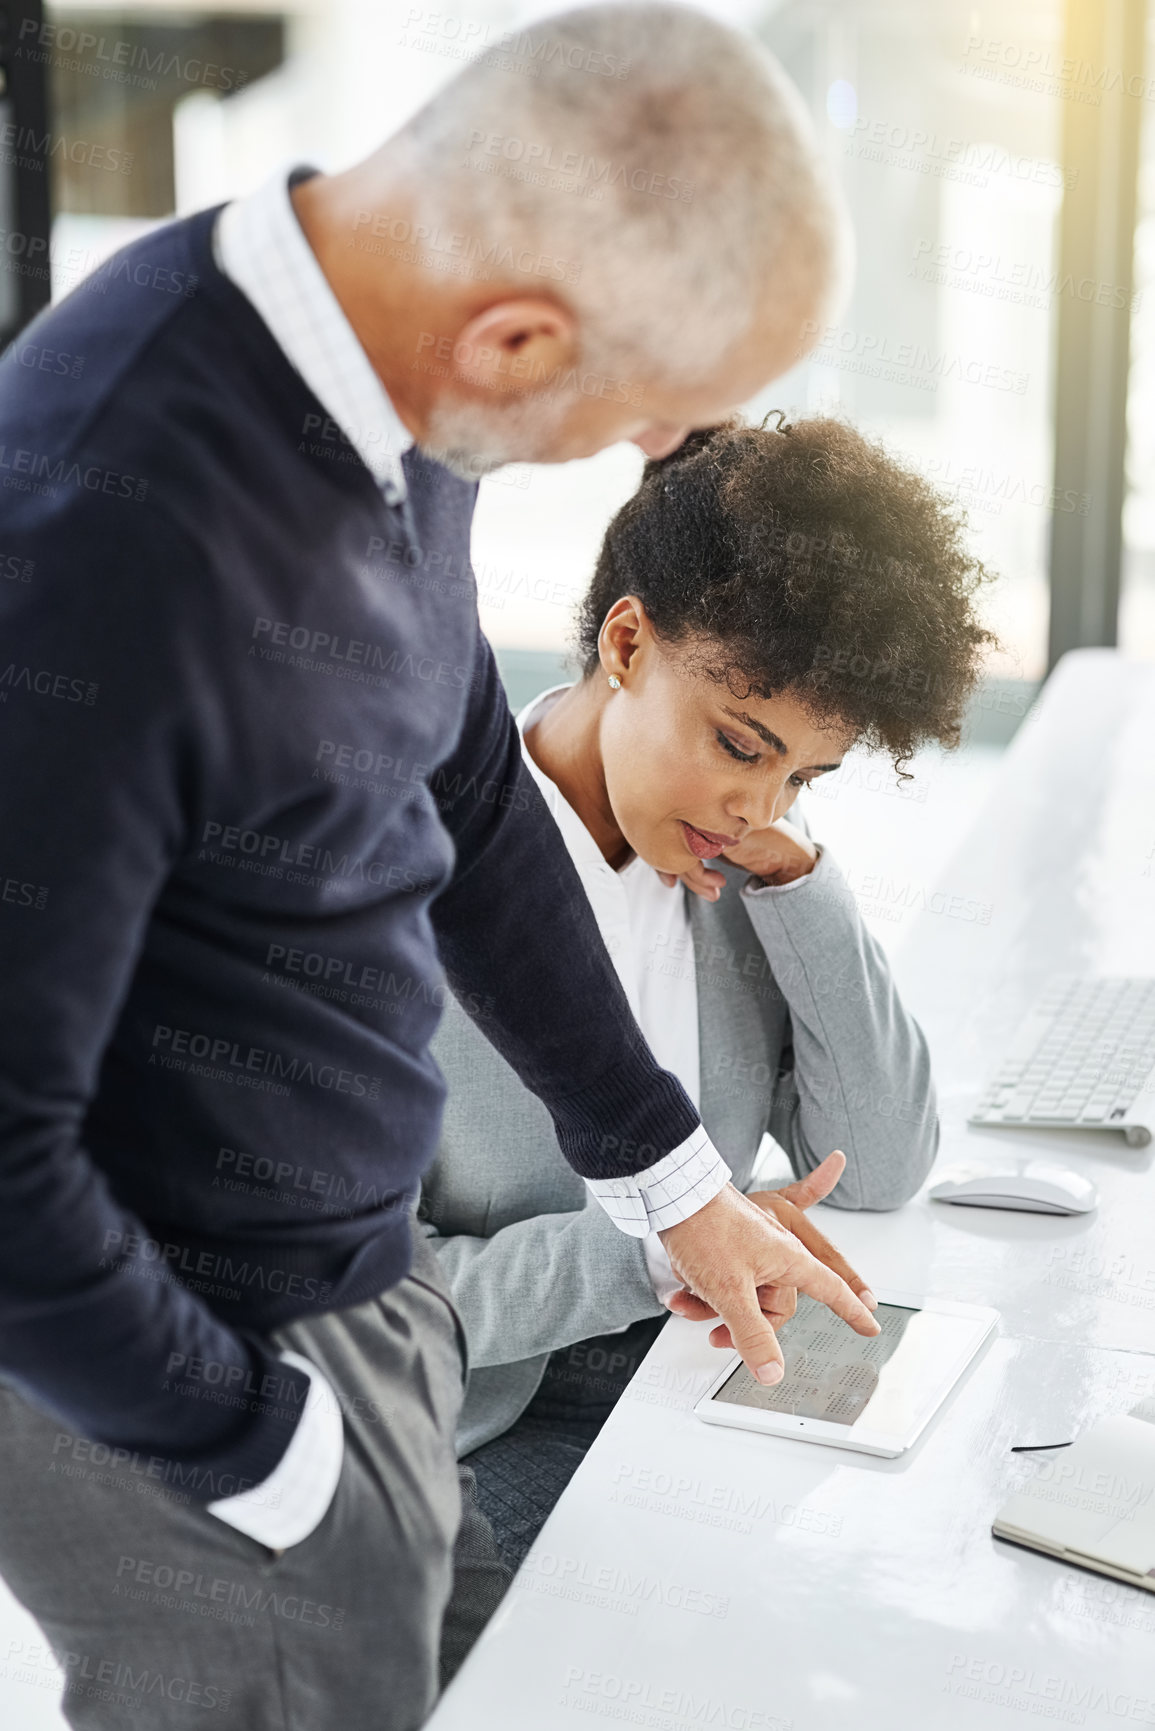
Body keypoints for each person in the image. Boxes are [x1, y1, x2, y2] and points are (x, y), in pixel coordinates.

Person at [0, 8, 882, 1729]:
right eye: (650, 416)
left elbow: (463, 771)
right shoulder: (110, 536)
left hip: (348, 1293)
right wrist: (257, 1455)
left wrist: (665, 1174)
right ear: (519, 336)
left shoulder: (375, 365)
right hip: (191, 1360)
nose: (642, 462)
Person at [421, 413, 995, 1618]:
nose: (754, 802)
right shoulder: (415, 892)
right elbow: (360, 1314)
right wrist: (664, 1243)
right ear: (626, 640)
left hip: (700, 1376)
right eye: (740, 744)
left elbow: (884, 1164)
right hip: (486, 1434)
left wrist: (802, 886)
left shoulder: (733, 877)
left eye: (800, 775)